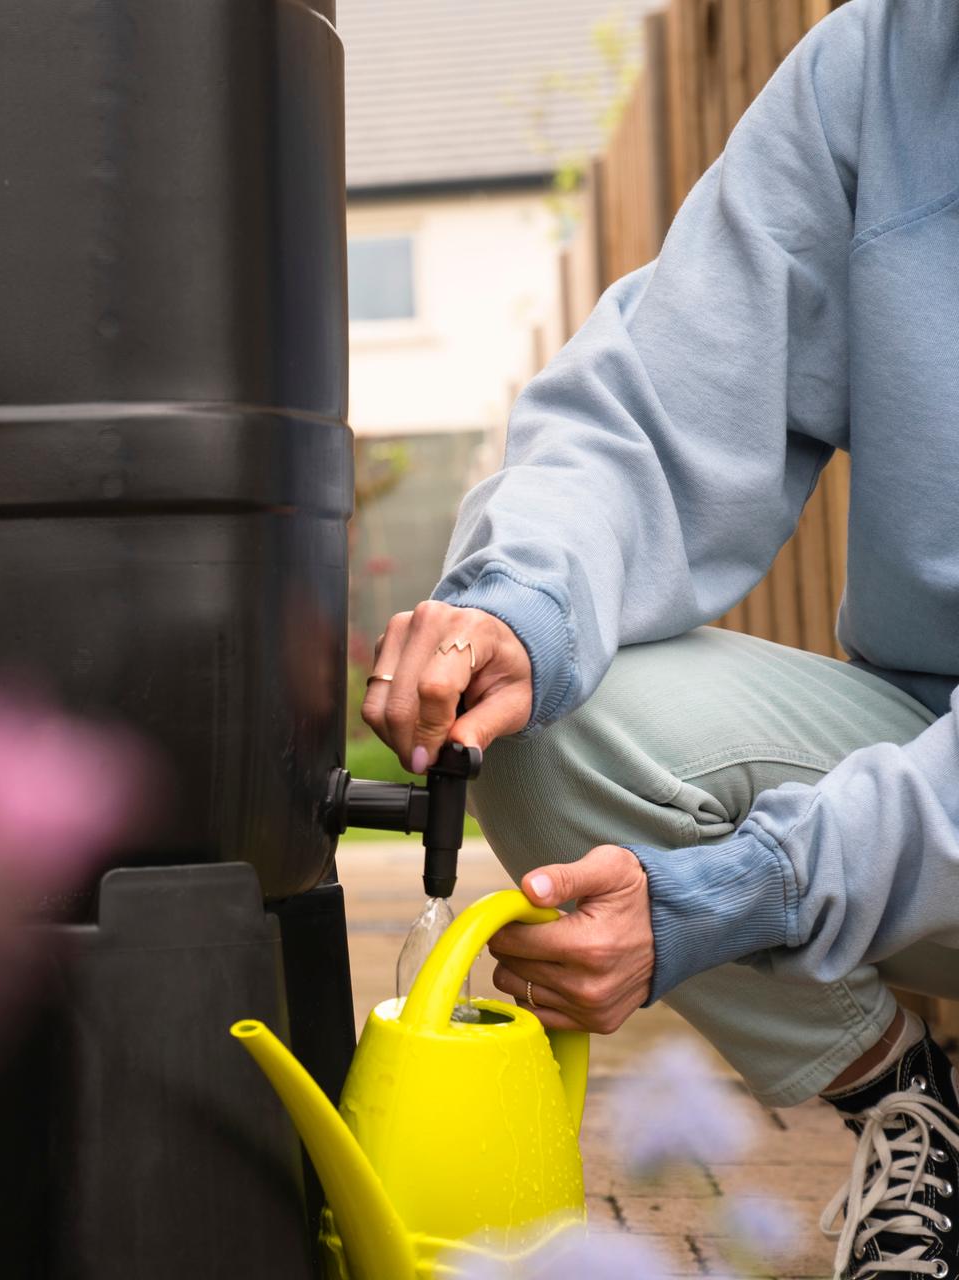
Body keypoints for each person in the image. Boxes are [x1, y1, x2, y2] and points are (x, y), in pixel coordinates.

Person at [359, 3, 959, 1276]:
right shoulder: (886, 66)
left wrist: (755, 884)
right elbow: (657, 403)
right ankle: (915, 1115)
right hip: (928, 749)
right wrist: (515, 604)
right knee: (551, 730)